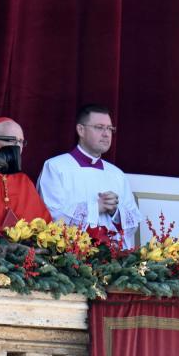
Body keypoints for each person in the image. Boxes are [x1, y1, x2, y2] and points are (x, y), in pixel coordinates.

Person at [37, 104, 142, 248]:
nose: (106, 134)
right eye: (99, 127)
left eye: (110, 129)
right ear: (81, 130)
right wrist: (96, 207)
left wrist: (115, 211)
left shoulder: (117, 174)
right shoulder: (56, 167)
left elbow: (134, 222)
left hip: (113, 259)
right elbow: (50, 215)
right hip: (70, 259)